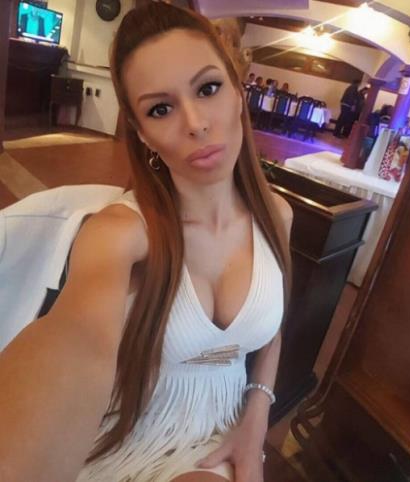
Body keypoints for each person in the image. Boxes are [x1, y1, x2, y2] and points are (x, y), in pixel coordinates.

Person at [0, 3, 292, 482]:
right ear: (143, 134)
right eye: (161, 108)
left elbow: (272, 330)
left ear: (239, 94)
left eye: (208, 88)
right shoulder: (123, 231)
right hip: (130, 431)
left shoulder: (277, 215)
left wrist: (257, 419)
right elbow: (78, 335)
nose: (195, 122)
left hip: (222, 427)